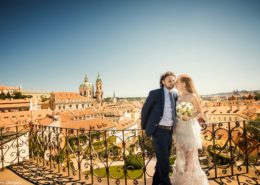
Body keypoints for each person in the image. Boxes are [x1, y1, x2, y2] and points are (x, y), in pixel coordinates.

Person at [170, 74, 209, 185]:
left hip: (189, 129)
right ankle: (181, 180)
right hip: (179, 129)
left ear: (183, 83)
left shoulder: (192, 96)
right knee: (180, 155)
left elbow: (200, 113)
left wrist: (188, 115)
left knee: (190, 158)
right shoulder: (178, 96)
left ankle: (189, 181)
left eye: (177, 82)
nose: (175, 84)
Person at [141, 71, 178, 185]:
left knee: (162, 160)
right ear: (163, 82)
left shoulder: (175, 94)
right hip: (159, 131)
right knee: (164, 163)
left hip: (169, 131)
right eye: (169, 80)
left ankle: (156, 182)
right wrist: (144, 128)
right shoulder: (155, 93)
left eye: (173, 80)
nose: (172, 83)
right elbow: (145, 110)